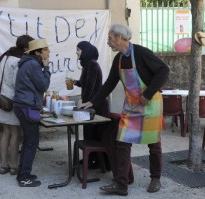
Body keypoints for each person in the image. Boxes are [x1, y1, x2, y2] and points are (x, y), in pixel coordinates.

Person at [79, 24, 169, 196]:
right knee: (121, 142)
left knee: (153, 143)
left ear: (119, 37)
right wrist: (92, 102)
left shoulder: (141, 53)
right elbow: (109, 84)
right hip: (131, 106)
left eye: (110, 38)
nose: (108, 42)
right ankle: (121, 184)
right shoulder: (118, 59)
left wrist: (149, 93)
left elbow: (164, 70)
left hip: (150, 105)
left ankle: (156, 178)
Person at [0, 35, 34, 176]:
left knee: (5, 133)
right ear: (25, 48)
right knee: (15, 133)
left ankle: (3, 164)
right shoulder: (18, 61)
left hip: (1, 99)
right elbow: (18, 84)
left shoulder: (5, 57)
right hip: (12, 100)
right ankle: (13, 165)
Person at [12, 39, 51, 187]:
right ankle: (24, 177)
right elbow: (43, 86)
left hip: (22, 105)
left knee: (28, 141)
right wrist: (46, 68)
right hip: (26, 106)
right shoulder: (34, 65)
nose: (49, 52)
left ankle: (22, 173)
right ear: (37, 52)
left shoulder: (27, 63)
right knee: (31, 142)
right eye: (46, 49)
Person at [66, 41, 109, 169]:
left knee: (96, 134)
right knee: (89, 132)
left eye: (78, 50)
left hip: (97, 105)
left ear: (86, 51)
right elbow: (85, 83)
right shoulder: (87, 65)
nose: (76, 52)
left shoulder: (92, 65)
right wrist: (75, 82)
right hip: (90, 104)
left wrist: (84, 102)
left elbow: (90, 86)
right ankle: (90, 159)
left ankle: (98, 161)